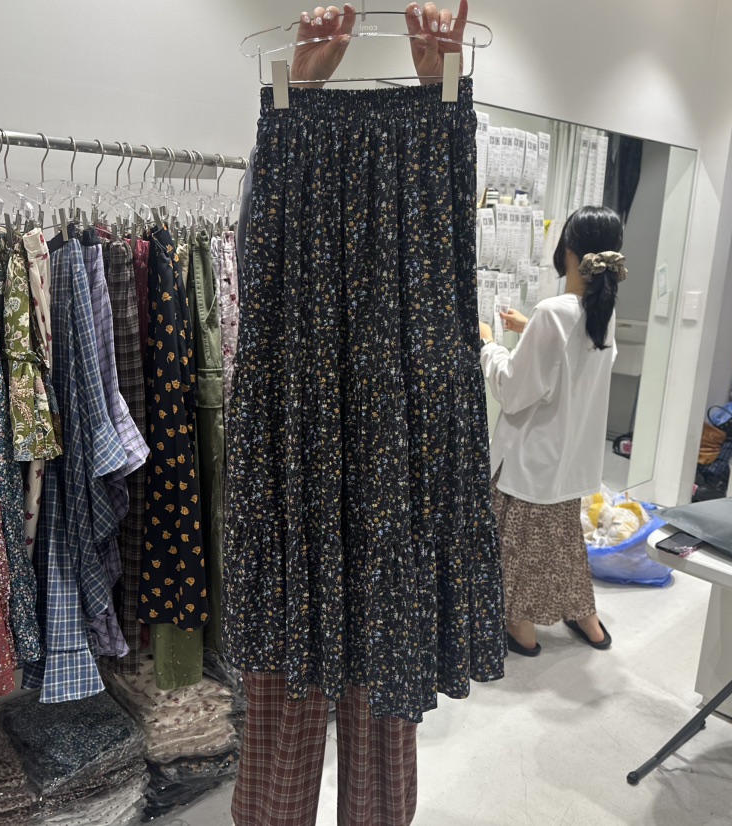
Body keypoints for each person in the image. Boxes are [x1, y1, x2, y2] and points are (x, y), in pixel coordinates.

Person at [230, 5, 479, 826]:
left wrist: (440, 91)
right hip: (302, 431)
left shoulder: (439, 143)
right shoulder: (283, 134)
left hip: (389, 441)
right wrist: (299, 89)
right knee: (287, 690)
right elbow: (258, 272)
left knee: (376, 700)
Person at [479, 206, 627, 656]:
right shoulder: (602, 311)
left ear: (568, 252)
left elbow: (513, 391)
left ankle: (521, 629)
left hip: (532, 460)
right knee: (563, 547)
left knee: (516, 550)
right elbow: (576, 362)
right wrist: (530, 331)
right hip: (571, 462)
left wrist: (489, 344)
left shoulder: (552, 312)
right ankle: (588, 621)